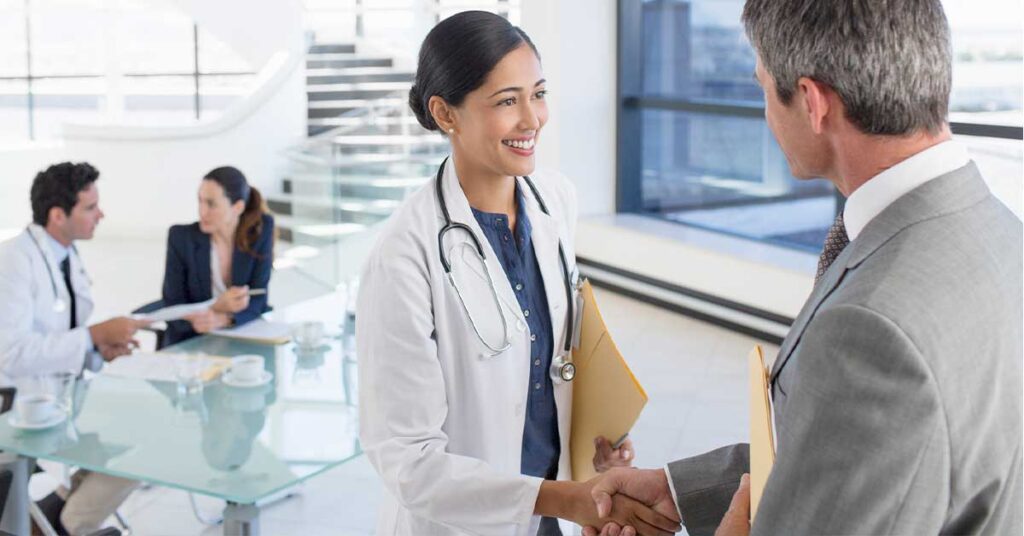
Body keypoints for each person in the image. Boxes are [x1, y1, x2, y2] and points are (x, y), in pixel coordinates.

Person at [585, 1, 1022, 535]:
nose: (766, 112)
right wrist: (682, 490)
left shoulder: (870, 327)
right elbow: (873, 457)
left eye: (764, 88)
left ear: (813, 102)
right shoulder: (1002, 234)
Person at [356, 11, 671, 536]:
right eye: (507, 101)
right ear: (445, 114)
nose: (533, 119)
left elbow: (548, 362)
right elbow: (409, 463)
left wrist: (593, 450)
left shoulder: (554, 199)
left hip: (549, 511)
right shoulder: (403, 257)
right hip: (461, 522)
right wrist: (566, 498)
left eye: (538, 93)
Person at [0, 162, 148, 535]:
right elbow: (10, 353)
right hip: (19, 409)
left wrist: (98, 351)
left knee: (142, 433)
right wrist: (91, 337)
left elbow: (60, 334)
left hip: (61, 397)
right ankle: (66, 526)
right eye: (90, 207)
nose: (101, 214)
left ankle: (56, 518)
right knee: (141, 446)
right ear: (57, 215)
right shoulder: (15, 261)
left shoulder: (64, 254)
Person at [161, 166, 274, 346]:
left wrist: (225, 319)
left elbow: (259, 298)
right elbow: (173, 307)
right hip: (192, 342)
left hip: (242, 335)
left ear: (237, 207)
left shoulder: (261, 230)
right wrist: (214, 308)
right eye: (200, 201)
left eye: (211, 204)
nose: (202, 211)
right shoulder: (181, 238)